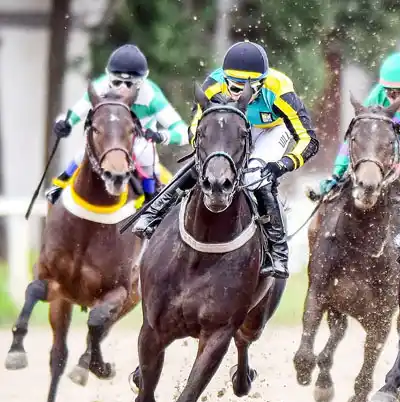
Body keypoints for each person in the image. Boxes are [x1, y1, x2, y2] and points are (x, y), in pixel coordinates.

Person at [132, 40, 319, 279]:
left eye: (248, 87)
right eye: (235, 86)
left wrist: (282, 165)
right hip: (231, 122)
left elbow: (309, 139)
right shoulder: (213, 86)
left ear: (262, 83)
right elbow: (195, 129)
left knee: (255, 176)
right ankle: (154, 212)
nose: (240, 92)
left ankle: (278, 251)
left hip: (272, 129)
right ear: (224, 79)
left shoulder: (280, 90)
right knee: (206, 166)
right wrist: (207, 155)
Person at [46, 44, 189, 204]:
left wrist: (162, 135)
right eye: (116, 82)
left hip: (139, 140)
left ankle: (151, 201)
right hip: (109, 138)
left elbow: (184, 132)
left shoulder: (152, 96)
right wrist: (65, 123)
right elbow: (77, 110)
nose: (122, 89)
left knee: (148, 158)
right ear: (108, 77)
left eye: (130, 84)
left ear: (142, 81)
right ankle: (61, 184)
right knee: (85, 152)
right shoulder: (100, 87)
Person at [309, 52, 400, 200]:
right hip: (390, 144)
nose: (395, 100)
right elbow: (356, 136)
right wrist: (336, 174)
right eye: (391, 93)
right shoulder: (378, 94)